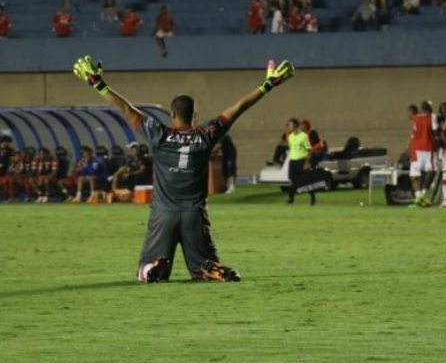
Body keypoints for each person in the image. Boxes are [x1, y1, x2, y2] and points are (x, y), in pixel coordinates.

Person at [72, 55, 294, 282]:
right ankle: (212, 269)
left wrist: (97, 83)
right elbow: (238, 107)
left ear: (172, 115)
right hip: (194, 214)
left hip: (164, 213)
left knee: (144, 270)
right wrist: (267, 85)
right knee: (202, 268)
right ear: (193, 116)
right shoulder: (206, 135)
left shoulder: (160, 135)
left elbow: (126, 109)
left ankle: (153, 268)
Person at [409, 101, 438, 206]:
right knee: (432, 171)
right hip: (427, 148)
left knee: (415, 174)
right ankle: (421, 194)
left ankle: (418, 197)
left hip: (416, 148)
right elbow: (435, 130)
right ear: (430, 108)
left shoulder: (415, 118)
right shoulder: (432, 117)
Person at [284, 118, 316, 206]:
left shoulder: (304, 136)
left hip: (301, 161)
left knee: (306, 181)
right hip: (292, 162)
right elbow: (291, 149)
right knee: (291, 181)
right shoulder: (290, 136)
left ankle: (313, 198)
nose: (288, 127)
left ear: (295, 125)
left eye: (289, 125)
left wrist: (307, 162)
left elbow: (309, 150)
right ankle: (291, 201)